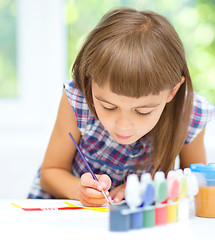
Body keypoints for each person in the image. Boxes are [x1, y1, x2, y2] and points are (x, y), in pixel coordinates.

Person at [28, 7, 215, 206]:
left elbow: (196, 183)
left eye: (143, 111)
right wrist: (79, 190)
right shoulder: (78, 99)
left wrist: (150, 188)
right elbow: (50, 174)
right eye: (108, 106)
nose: (123, 126)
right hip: (66, 211)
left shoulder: (190, 113)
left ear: (172, 91)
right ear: (90, 83)